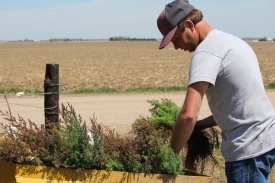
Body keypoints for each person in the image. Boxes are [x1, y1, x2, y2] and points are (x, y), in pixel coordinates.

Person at [157, 0, 275, 182]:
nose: (176, 46)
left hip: (247, 151)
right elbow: (239, 104)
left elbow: (188, 114)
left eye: (175, 39)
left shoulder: (206, 53)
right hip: (265, 142)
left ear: (189, 24)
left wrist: (169, 154)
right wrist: (200, 126)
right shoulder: (231, 41)